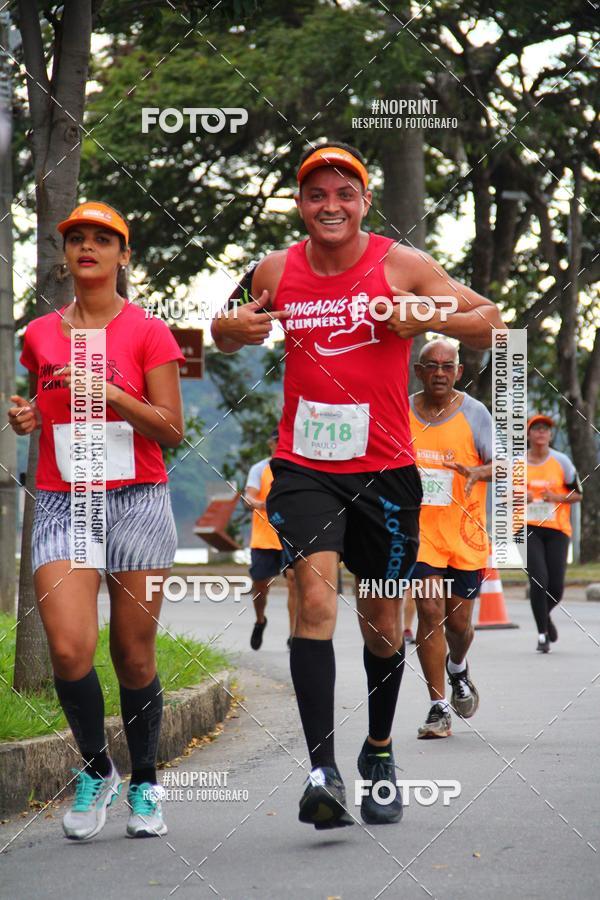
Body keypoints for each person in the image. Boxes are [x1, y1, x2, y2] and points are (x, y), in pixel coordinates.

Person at [212, 141, 504, 829]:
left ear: (365, 202)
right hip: (304, 467)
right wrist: (233, 328)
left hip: (385, 473)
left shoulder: (402, 265)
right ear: (300, 204)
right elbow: (223, 330)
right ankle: (322, 772)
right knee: (313, 600)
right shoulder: (275, 268)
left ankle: (377, 753)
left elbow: (489, 321)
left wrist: (425, 316)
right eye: (317, 194)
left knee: (382, 625)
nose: (331, 205)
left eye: (345, 193)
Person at [8, 202, 185, 841]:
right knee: (67, 647)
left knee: (133, 656)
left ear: (123, 256)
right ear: (65, 256)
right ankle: (96, 768)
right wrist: (28, 417)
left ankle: (145, 783)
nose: (88, 247)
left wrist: (109, 393)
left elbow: (172, 429)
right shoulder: (39, 334)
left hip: (137, 499)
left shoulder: (148, 331)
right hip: (64, 500)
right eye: (77, 238)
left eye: (103, 240)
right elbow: (44, 406)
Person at [409, 339, 493, 739]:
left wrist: (480, 472)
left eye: (447, 366)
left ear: (458, 372)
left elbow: (505, 463)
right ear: (419, 371)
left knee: (459, 625)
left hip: (464, 533)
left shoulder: (475, 413)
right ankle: (438, 707)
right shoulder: (401, 411)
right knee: (429, 612)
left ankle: (457, 668)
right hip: (420, 533)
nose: (439, 373)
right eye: (431, 365)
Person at [524, 414, 582, 653]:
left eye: (545, 429)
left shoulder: (562, 461)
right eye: (536, 428)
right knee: (539, 579)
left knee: (556, 587)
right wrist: (520, 496)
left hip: (557, 529)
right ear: (528, 434)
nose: (541, 432)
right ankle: (542, 634)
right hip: (527, 528)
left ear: (550, 435)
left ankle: (544, 617)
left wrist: (557, 497)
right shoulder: (517, 464)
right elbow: (503, 497)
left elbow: (578, 494)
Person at [244, 428, 297, 649]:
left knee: (294, 581)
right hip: (264, 537)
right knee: (260, 585)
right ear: (271, 444)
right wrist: (260, 504)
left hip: (290, 535)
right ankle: (260, 620)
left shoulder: (295, 467)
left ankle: (294, 635)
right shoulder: (260, 469)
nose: (281, 444)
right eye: (278, 441)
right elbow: (249, 496)